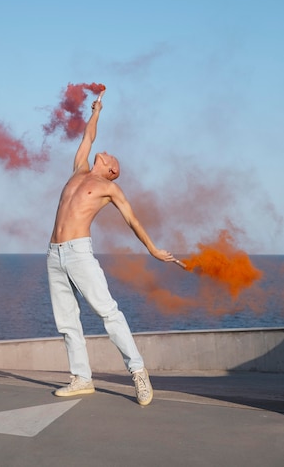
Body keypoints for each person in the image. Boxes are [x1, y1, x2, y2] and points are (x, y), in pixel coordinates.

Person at [47, 93, 182, 406]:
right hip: (55, 253)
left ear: (112, 171)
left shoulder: (109, 188)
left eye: (110, 157)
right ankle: (81, 378)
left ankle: (138, 372)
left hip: (79, 252)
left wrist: (153, 249)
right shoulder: (79, 170)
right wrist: (96, 111)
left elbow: (132, 220)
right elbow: (89, 136)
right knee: (66, 322)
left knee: (108, 312)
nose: (104, 152)